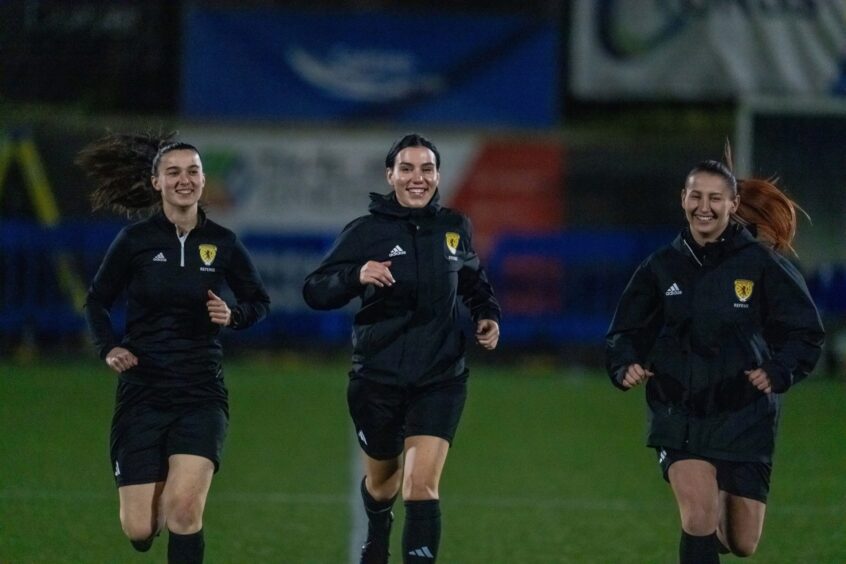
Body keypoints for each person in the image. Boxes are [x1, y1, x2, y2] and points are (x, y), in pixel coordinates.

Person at [605, 158, 824, 563]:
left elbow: (805, 333)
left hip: (745, 414)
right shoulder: (659, 267)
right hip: (679, 410)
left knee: (742, 542)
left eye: (715, 198)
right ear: (683, 199)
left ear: (733, 203)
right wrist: (624, 364)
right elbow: (625, 333)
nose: (704, 207)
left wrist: (779, 370)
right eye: (696, 196)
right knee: (698, 514)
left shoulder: (761, 265)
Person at [303, 133, 501, 564]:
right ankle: (377, 530)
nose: (418, 178)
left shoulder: (454, 227)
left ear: (438, 176)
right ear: (390, 175)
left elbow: (472, 280)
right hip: (378, 377)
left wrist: (487, 313)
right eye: (407, 169)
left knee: (421, 486)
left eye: (427, 169)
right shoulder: (366, 232)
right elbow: (315, 291)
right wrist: (356, 275)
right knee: (383, 484)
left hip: (440, 376)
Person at [78, 133, 270, 563]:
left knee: (184, 511)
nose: (185, 180)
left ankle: (180, 488)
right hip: (142, 393)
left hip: (200, 392)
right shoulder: (135, 241)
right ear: (157, 183)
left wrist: (234, 316)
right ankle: (157, 493)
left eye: (193, 171)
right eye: (174, 173)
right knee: (140, 527)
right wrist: (109, 347)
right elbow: (96, 300)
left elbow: (259, 301)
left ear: (204, 180)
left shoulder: (223, 243)